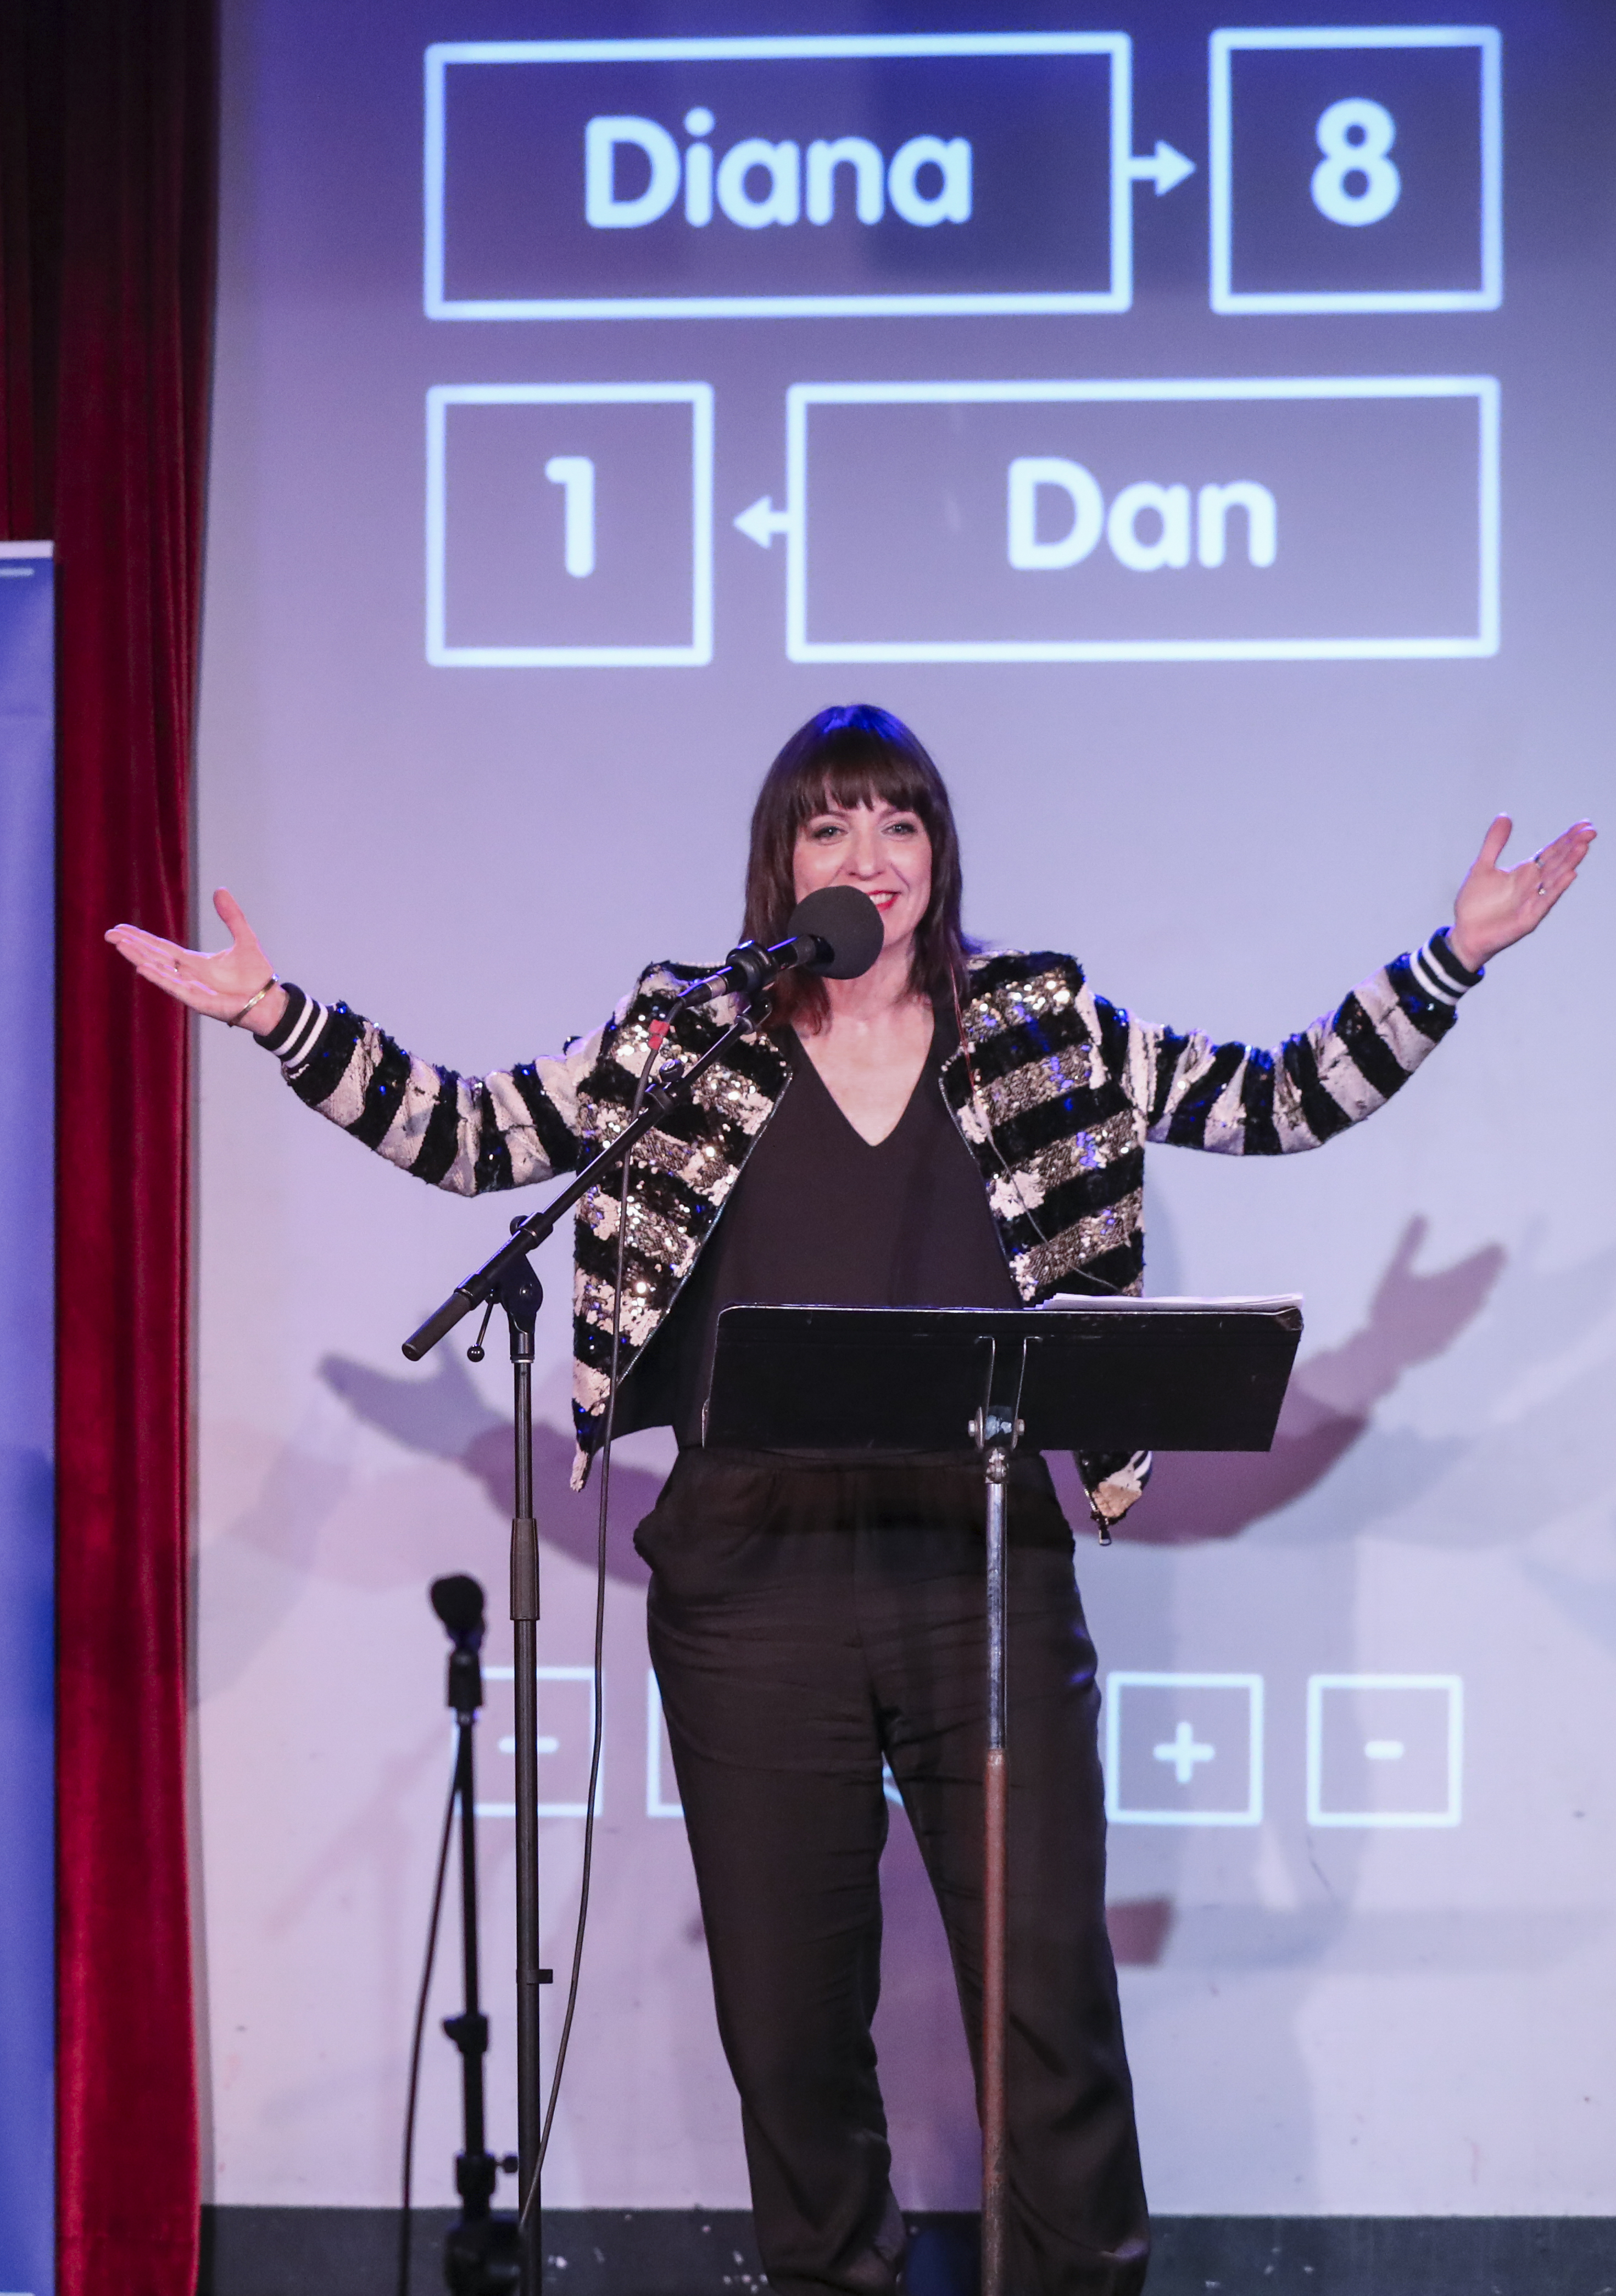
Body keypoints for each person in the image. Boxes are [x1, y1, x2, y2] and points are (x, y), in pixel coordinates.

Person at [107, 704, 1591, 2296]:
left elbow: (1276, 1097)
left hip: (982, 1568)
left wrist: (1452, 957)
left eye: (899, 822)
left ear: (940, 852)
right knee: (791, 2030)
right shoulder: (689, 1038)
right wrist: (278, 1017)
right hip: (753, 1589)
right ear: (785, 864)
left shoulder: (1041, 1025)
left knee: (1049, 2007)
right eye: (832, 827)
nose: (869, 857)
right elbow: (482, 1136)